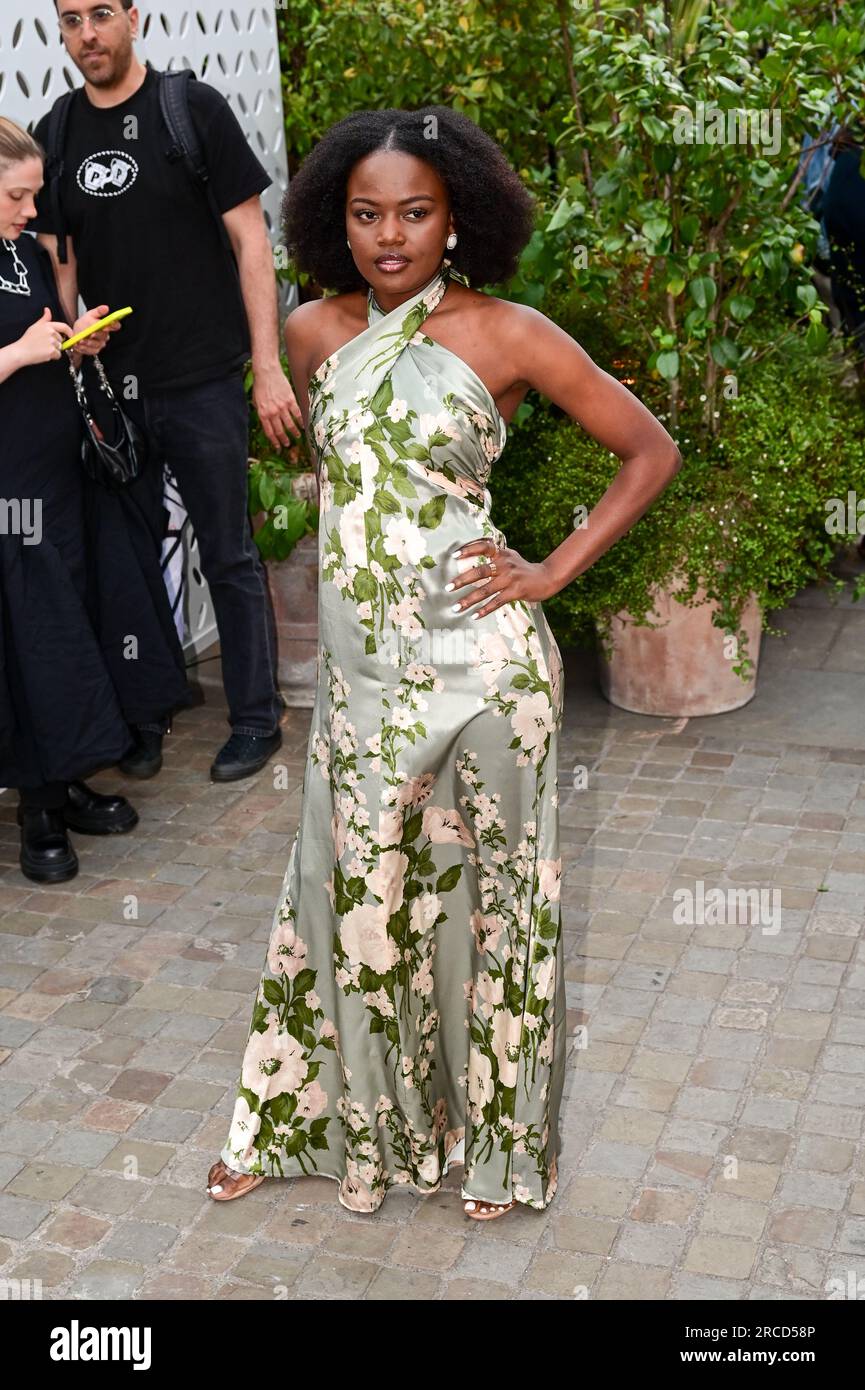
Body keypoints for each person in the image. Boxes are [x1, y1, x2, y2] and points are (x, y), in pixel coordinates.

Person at [207, 107, 681, 1221]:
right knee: (352, 903)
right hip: (363, 684)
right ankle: (335, 1131)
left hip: (487, 676)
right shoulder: (318, 333)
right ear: (336, 218)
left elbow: (648, 448)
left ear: (456, 215)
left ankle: (511, 1151)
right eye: (366, 214)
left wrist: (550, 570)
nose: (389, 236)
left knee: (500, 909)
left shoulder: (509, 333)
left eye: (414, 213)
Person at [31, 0, 303, 783]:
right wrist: (72, 350)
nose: (88, 34)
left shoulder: (190, 111)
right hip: (113, 391)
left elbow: (252, 242)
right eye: (72, 19)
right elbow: (62, 268)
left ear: (134, 18)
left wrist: (269, 366)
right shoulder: (55, 132)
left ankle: (256, 718)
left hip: (201, 380)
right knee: (128, 559)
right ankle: (147, 712)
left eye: (101, 14)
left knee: (228, 553)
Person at [0, 116, 189, 881]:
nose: (29, 211)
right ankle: (37, 808)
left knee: (76, 624)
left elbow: (39, 335)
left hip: (59, 470)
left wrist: (74, 340)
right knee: (34, 641)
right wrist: (17, 353)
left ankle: (67, 777)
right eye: (16, 195)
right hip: (9, 492)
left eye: (33, 196)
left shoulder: (19, 250)